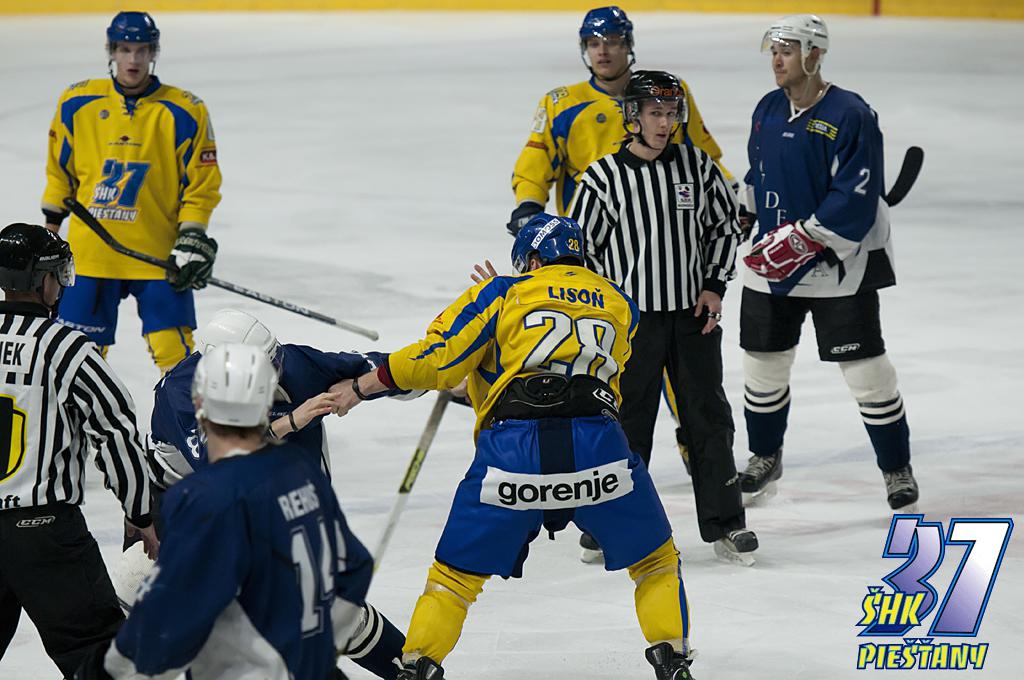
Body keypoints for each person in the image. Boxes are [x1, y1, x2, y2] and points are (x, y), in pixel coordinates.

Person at [336, 216, 697, 680]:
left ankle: (416, 666)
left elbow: (438, 360)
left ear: (531, 260)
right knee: (656, 563)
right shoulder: (620, 302)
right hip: (600, 449)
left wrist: (363, 386)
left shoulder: (502, 292)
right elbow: (580, 365)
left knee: (454, 580)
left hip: (513, 454)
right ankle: (674, 660)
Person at [510, 5, 736, 484]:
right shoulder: (561, 103)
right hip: (603, 259)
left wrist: (733, 197)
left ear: (629, 46)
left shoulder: (666, 93)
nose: (604, 51)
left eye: (613, 41)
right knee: (616, 378)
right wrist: (529, 207)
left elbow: (704, 156)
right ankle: (611, 476)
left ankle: (699, 458)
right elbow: (535, 165)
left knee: (690, 384)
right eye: (595, 43)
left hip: (671, 253)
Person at [75, 344, 374, 680]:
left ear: (199, 407)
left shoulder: (204, 499)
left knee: (137, 581)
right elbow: (356, 565)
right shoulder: (301, 473)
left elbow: (172, 611)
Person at [141, 308, 410, 679]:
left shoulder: (296, 365)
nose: (276, 373)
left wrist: (440, 372)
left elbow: (383, 369)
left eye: (275, 359)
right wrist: (292, 420)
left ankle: (408, 669)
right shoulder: (181, 391)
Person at [568, 71, 756, 566]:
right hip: (632, 326)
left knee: (708, 418)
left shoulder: (697, 165)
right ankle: (610, 524)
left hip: (692, 319)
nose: (664, 123)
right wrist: (603, 313)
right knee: (627, 423)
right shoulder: (602, 178)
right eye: (655, 113)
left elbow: (723, 227)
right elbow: (581, 253)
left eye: (671, 114)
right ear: (633, 116)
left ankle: (727, 522)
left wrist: (714, 284)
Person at [738, 14, 918, 510]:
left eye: (787, 51)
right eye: (774, 51)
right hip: (771, 262)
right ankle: (764, 456)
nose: (777, 60)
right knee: (763, 367)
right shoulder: (768, 108)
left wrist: (802, 239)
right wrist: (741, 211)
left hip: (841, 265)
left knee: (867, 373)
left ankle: (896, 466)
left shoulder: (850, 113)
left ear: (814, 55)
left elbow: (854, 199)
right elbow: (759, 173)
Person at [0, 223, 158, 679]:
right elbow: (115, 431)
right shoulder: (65, 349)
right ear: (44, 281)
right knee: (98, 656)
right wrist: (140, 512)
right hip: (45, 532)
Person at [41, 11, 221, 373]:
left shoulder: (186, 110)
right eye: (124, 49)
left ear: (154, 52)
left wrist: (191, 236)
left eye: (142, 50)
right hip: (91, 255)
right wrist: (50, 235)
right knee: (77, 362)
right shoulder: (77, 102)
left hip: (158, 254)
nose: (133, 59)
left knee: (177, 359)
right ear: (111, 51)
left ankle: (181, 415)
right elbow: (60, 172)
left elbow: (201, 184)